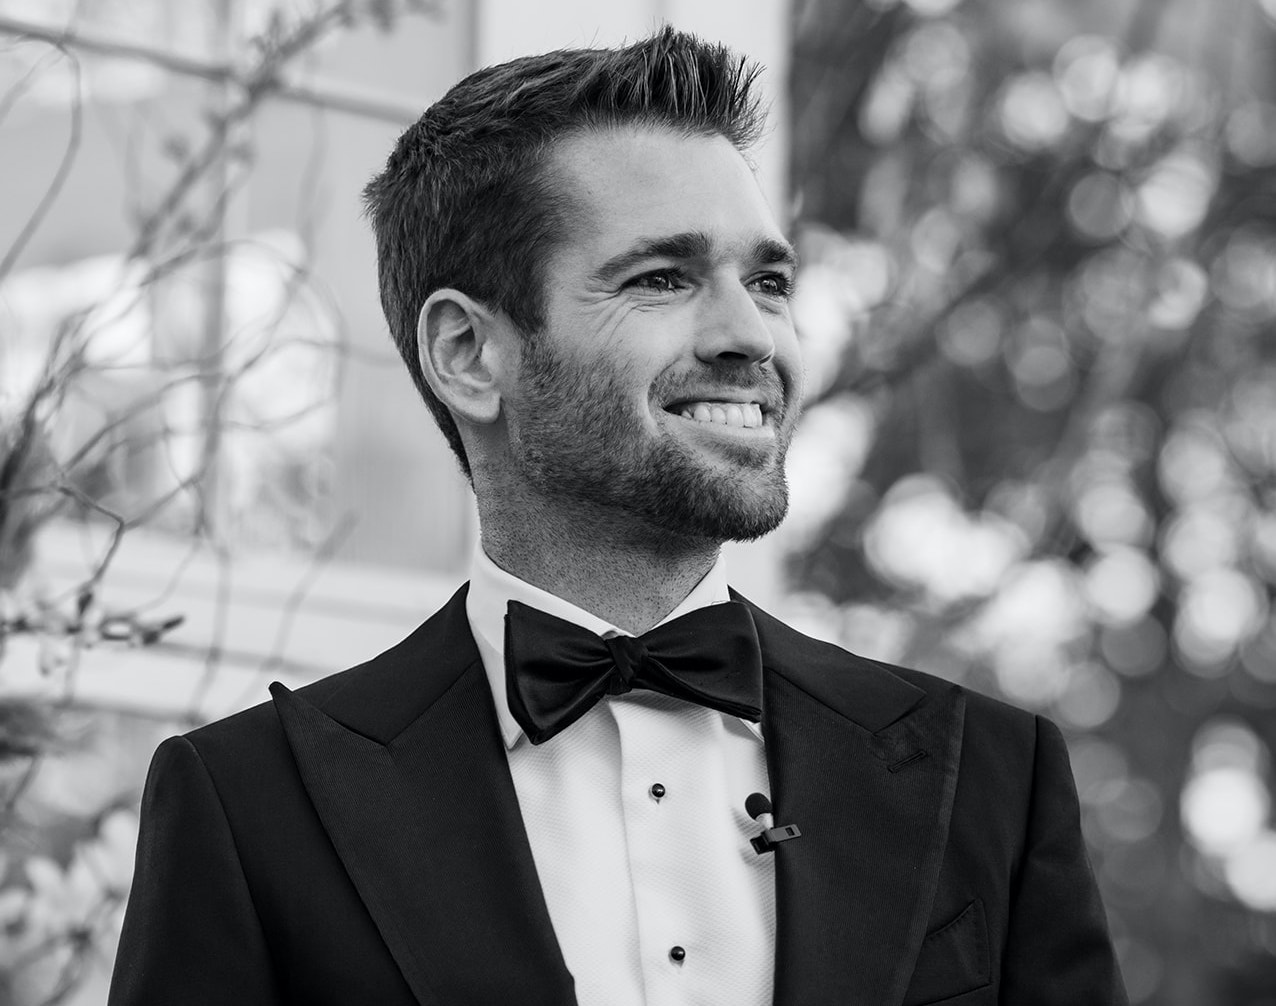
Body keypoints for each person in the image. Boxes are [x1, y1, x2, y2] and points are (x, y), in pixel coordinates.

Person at [108, 27, 1128, 1006]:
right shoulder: (248, 807)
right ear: (468, 353)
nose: (751, 335)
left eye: (767, 280)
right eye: (663, 278)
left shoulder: (993, 779)